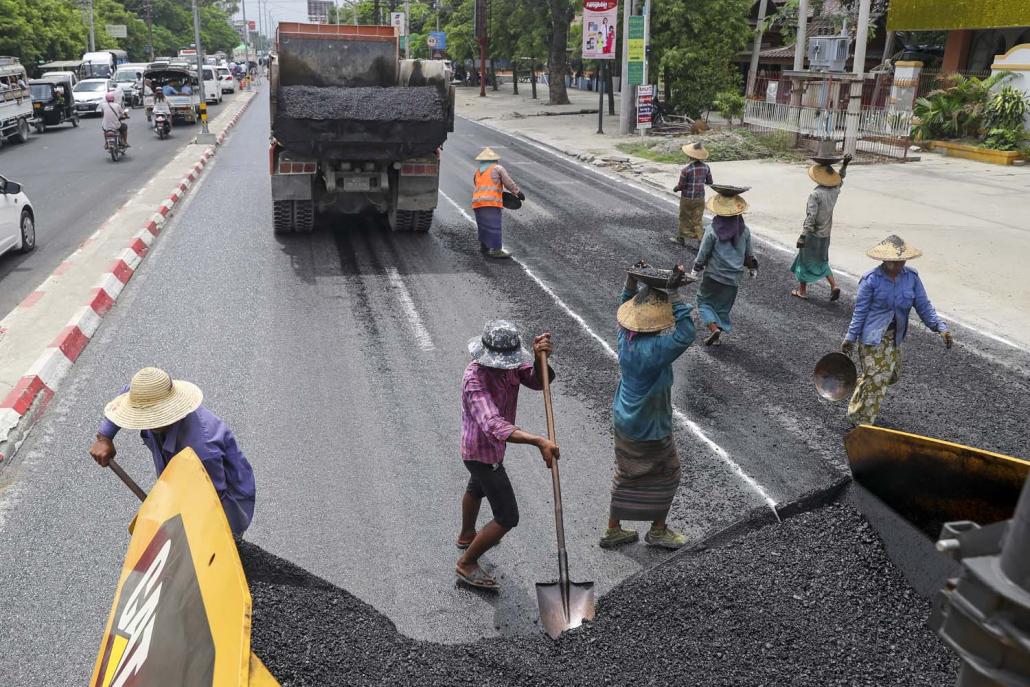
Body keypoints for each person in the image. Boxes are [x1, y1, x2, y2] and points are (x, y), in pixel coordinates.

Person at [88, 367, 257, 537]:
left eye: (151, 417)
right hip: (185, 486)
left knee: (219, 552)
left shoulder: (203, 449)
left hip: (221, 504)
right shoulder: (150, 395)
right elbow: (128, 393)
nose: (145, 422)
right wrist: (105, 437)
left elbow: (209, 504)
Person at [456, 321, 559, 590]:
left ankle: (467, 535)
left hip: (492, 451)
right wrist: (538, 441)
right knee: (507, 517)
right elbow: (494, 425)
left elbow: (539, 381)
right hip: (480, 452)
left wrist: (538, 358)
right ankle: (467, 563)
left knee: (476, 488)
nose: (507, 367)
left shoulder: (512, 367)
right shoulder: (474, 379)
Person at [601, 265, 694, 550]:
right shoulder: (654, 350)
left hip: (624, 418)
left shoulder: (625, 337)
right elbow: (686, 333)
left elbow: (622, 305)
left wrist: (630, 281)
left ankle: (613, 529)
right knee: (669, 472)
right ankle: (658, 529)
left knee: (627, 472)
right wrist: (675, 295)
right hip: (648, 423)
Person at [842, 236, 952, 426]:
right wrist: (850, 338)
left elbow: (924, 306)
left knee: (891, 376)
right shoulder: (871, 281)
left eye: (902, 260)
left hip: (895, 338)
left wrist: (940, 328)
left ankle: (866, 384)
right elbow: (859, 313)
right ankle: (861, 424)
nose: (900, 264)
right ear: (885, 261)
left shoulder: (912, 278)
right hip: (873, 338)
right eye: (895, 261)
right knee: (878, 379)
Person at [689, 191, 757, 346]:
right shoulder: (744, 231)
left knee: (704, 302)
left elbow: (703, 252)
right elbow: (749, 255)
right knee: (722, 307)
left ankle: (714, 329)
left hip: (713, 275)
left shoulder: (712, 230)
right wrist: (752, 269)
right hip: (733, 279)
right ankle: (717, 336)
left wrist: (695, 269)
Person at [791, 154, 851, 301]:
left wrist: (803, 235)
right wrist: (844, 164)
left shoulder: (815, 194)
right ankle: (834, 285)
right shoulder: (835, 190)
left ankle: (802, 291)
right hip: (826, 233)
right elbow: (840, 178)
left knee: (803, 260)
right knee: (822, 260)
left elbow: (811, 216)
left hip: (813, 233)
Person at [471, 147, 524, 260]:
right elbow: (508, 182)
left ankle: (484, 247)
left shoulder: (478, 171)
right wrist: (518, 192)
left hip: (477, 203)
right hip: (491, 202)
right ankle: (496, 251)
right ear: (494, 160)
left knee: (483, 225)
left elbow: (477, 184)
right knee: (494, 226)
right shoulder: (497, 168)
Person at [671, 143, 713, 247]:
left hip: (687, 199)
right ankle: (701, 241)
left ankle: (681, 238)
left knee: (684, 218)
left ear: (690, 156)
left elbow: (681, 186)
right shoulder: (706, 168)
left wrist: (675, 189)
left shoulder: (686, 170)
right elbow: (710, 182)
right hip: (700, 198)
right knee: (697, 219)